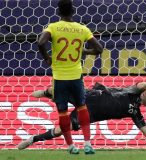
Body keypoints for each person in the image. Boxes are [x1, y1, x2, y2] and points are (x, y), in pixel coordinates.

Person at [17, 82, 146, 151]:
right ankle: (47, 93)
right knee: (59, 90)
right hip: (92, 96)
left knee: (61, 130)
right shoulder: (133, 90)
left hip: (90, 114)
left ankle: (33, 140)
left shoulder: (135, 113)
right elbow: (144, 84)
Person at [37, 0, 103, 155]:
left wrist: (47, 57)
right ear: (73, 11)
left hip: (60, 78)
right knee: (82, 107)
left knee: (63, 112)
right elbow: (99, 49)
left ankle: (71, 146)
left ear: (58, 12)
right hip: (76, 77)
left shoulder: (53, 27)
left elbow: (40, 42)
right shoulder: (82, 29)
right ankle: (88, 144)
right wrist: (84, 52)